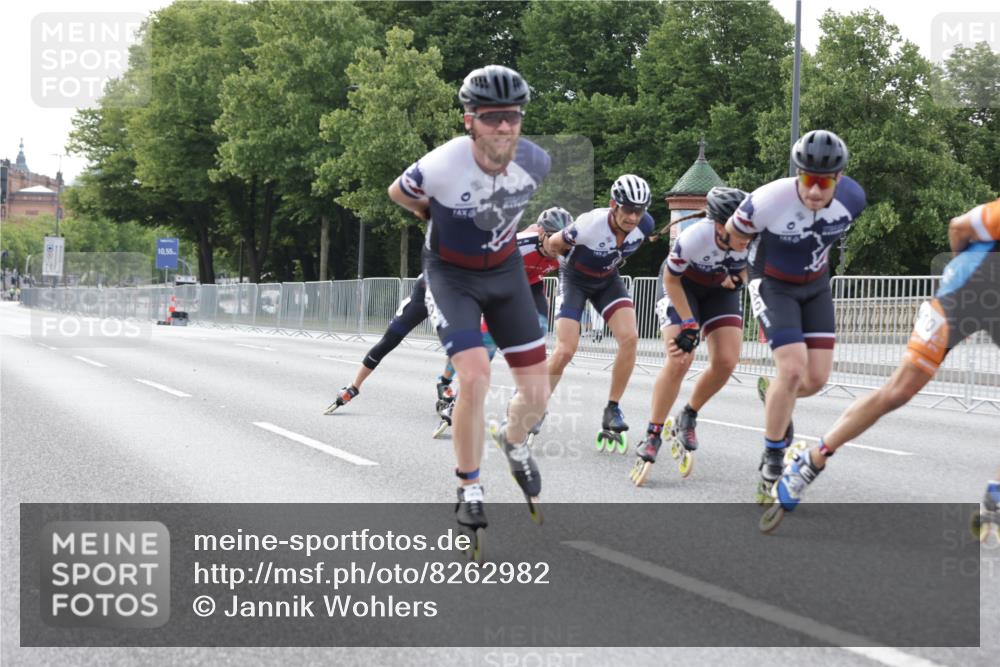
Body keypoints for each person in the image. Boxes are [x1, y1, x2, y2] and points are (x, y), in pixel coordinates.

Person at [388, 64, 553, 551]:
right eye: (491, 117)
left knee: (537, 394)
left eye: (513, 116)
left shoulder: (536, 162)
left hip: (504, 275)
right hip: (451, 275)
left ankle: (514, 440)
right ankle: (469, 485)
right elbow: (399, 193)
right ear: (469, 120)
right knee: (475, 375)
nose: (504, 127)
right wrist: (430, 213)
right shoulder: (440, 164)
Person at [761, 198, 1000, 532]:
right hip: (960, 299)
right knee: (898, 391)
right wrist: (961, 274)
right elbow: (958, 227)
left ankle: (996, 495)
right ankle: (811, 461)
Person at [726, 129, 867, 504]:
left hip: (816, 285)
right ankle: (773, 457)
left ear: (838, 178)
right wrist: (748, 260)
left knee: (817, 378)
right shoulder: (769, 200)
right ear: (797, 174)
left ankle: (775, 396)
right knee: (790, 369)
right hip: (773, 284)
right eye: (808, 180)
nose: (816, 191)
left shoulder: (854, 200)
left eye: (824, 182)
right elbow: (734, 234)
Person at [630, 187, 751, 486]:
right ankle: (653, 433)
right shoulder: (695, 237)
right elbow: (671, 279)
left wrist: (739, 279)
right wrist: (688, 324)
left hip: (718, 292)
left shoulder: (754, 234)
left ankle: (689, 415)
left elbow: (753, 268)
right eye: (740, 226)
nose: (747, 233)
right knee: (680, 357)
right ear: (720, 225)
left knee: (727, 360)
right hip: (680, 287)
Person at [541, 175, 655, 453]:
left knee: (630, 338)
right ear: (613, 205)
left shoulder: (645, 225)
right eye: (627, 209)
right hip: (575, 281)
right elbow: (554, 244)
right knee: (566, 350)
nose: (633, 216)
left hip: (607, 281)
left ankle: (612, 409)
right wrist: (554, 249)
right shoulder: (590, 223)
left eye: (639, 210)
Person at [433, 207, 569, 437]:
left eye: (562, 242)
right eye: (553, 241)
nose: (558, 248)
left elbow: (573, 283)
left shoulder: (567, 249)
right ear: (542, 235)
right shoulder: (519, 244)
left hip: (532, 286)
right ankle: (457, 401)